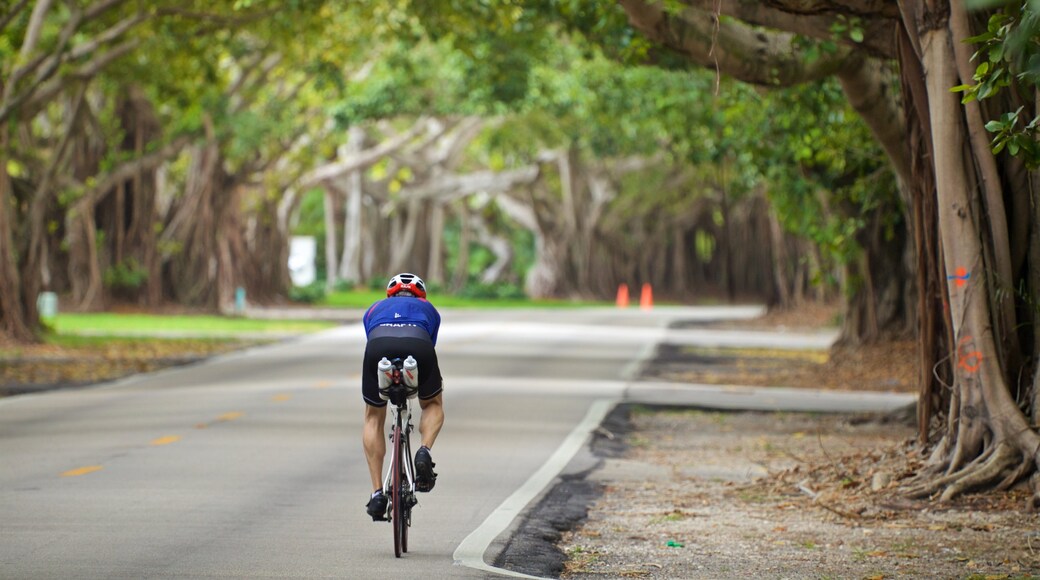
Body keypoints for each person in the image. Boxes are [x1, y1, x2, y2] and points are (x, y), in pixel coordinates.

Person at [361, 272, 444, 520]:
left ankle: (377, 493)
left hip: (379, 346)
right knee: (432, 403)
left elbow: (370, 334)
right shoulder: (429, 309)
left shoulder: (374, 308)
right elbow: (431, 342)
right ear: (421, 295)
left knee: (373, 416)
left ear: (390, 294)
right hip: (418, 344)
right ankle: (424, 451)